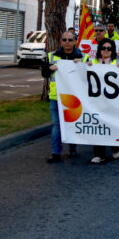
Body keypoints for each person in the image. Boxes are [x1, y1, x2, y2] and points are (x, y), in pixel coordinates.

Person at [41, 31, 84, 163]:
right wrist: (49, 68)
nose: (67, 42)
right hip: (56, 97)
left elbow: (89, 73)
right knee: (57, 125)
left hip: (75, 98)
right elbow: (44, 73)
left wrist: (82, 65)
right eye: (64, 40)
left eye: (70, 40)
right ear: (61, 41)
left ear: (75, 41)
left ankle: (72, 147)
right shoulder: (52, 56)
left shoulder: (83, 56)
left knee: (73, 123)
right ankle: (56, 153)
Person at [86, 38, 119, 163]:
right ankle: (99, 154)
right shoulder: (92, 62)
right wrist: (83, 66)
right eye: (104, 48)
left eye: (109, 48)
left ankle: (115, 148)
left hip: (114, 102)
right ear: (99, 50)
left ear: (113, 50)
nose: (106, 50)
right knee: (98, 127)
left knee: (113, 125)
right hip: (97, 101)